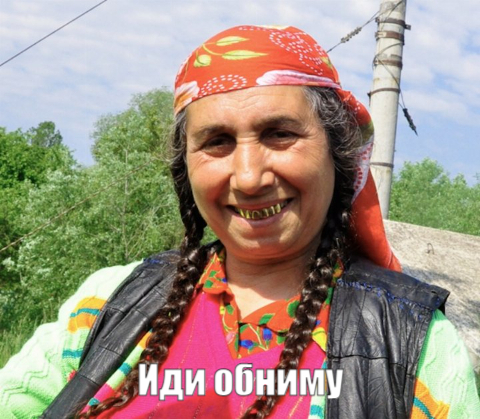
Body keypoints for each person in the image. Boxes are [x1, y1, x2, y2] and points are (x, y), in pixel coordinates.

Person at [1, 25, 479, 419]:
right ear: (186, 168)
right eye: (217, 142)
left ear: (337, 155)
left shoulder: (411, 343)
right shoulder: (107, 302)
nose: (249, 178)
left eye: (280, 134)